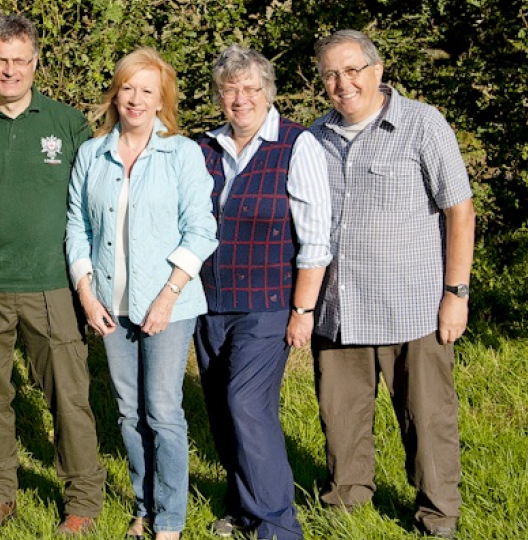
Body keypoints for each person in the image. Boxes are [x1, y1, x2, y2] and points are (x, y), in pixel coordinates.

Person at [0, 14, 106, 537]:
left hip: (52, 283)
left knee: (68, 397)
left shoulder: (67, 124)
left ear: (35, 64)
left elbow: (89, 203)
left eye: (19, 60)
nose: (9, 71)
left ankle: (82, 500)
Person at [309, 30, 476, 540]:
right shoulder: (316, 136)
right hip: (339, 311)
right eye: (331, 74)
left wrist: (457, 294)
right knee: (341, 421)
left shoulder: (422, 124)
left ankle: (437, 516)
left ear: (377, 70)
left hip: (415, 308)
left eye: (352, 69)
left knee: (427, 421)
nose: (343, 83)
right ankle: (347, 505)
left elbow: (460, 210)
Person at [66, 47, 218, 540]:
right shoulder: (92, 153)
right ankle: (143, 505)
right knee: (128, 412)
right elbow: (77, 227)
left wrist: (169, 294)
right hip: (111, 304)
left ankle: (171, 518)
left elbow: (201, 230)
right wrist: (88, 295)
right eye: (128, 87)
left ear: (161, 100)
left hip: (167, 306)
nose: (135, 99)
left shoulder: (182, 153)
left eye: (147, 91)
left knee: (162, 410)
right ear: (116, 92)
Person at [192, 45, 331, 540]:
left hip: (269, 303)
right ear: (218, 95)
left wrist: (303, 309)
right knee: (220, 408)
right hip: (209, 302)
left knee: (247, 405)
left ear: (268, 93)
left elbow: (316, 237)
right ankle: (243, 505)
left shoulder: (297, 145)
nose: (240, 98)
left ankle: (278, 523)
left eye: (251, 88)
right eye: (230, 89)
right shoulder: (203, 147)